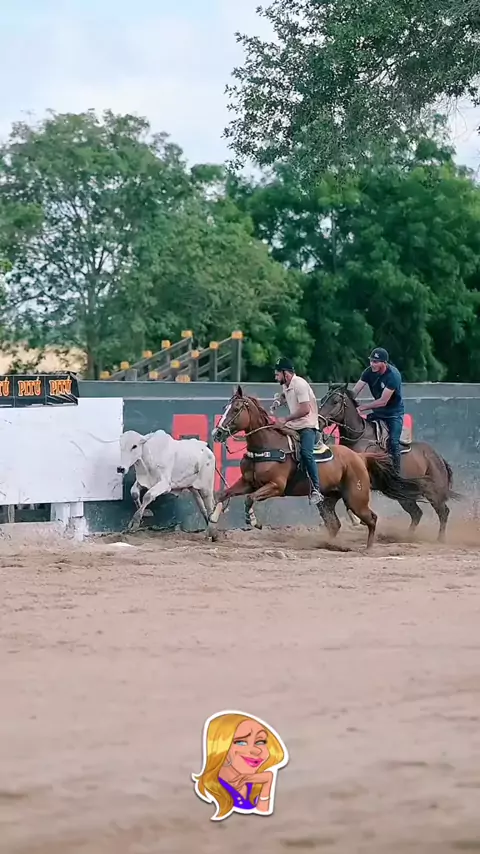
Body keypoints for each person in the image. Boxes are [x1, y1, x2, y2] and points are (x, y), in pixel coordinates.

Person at [271, 357, 323, 505]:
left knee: (306, 453)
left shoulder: (300, 384)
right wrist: (278, 402)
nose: (276, 377)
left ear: (285, 373)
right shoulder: (286, 385)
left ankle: (316, 489)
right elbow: (284, 396)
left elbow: (305, 409)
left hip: (308, 426)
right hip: (294, 425)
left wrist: (286, 419)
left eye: (277, 374)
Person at [351, 347, 405, 472]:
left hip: (393, 414)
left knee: (393, 442)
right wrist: (347, 400)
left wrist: (362, 407)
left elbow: (383, 401)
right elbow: (355, 391)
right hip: (378, 412)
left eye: (375, 362)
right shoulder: (368, 372)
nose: (372, 364)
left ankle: (397, 472)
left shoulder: (393, 376)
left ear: (384, 363)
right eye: (371, 361)